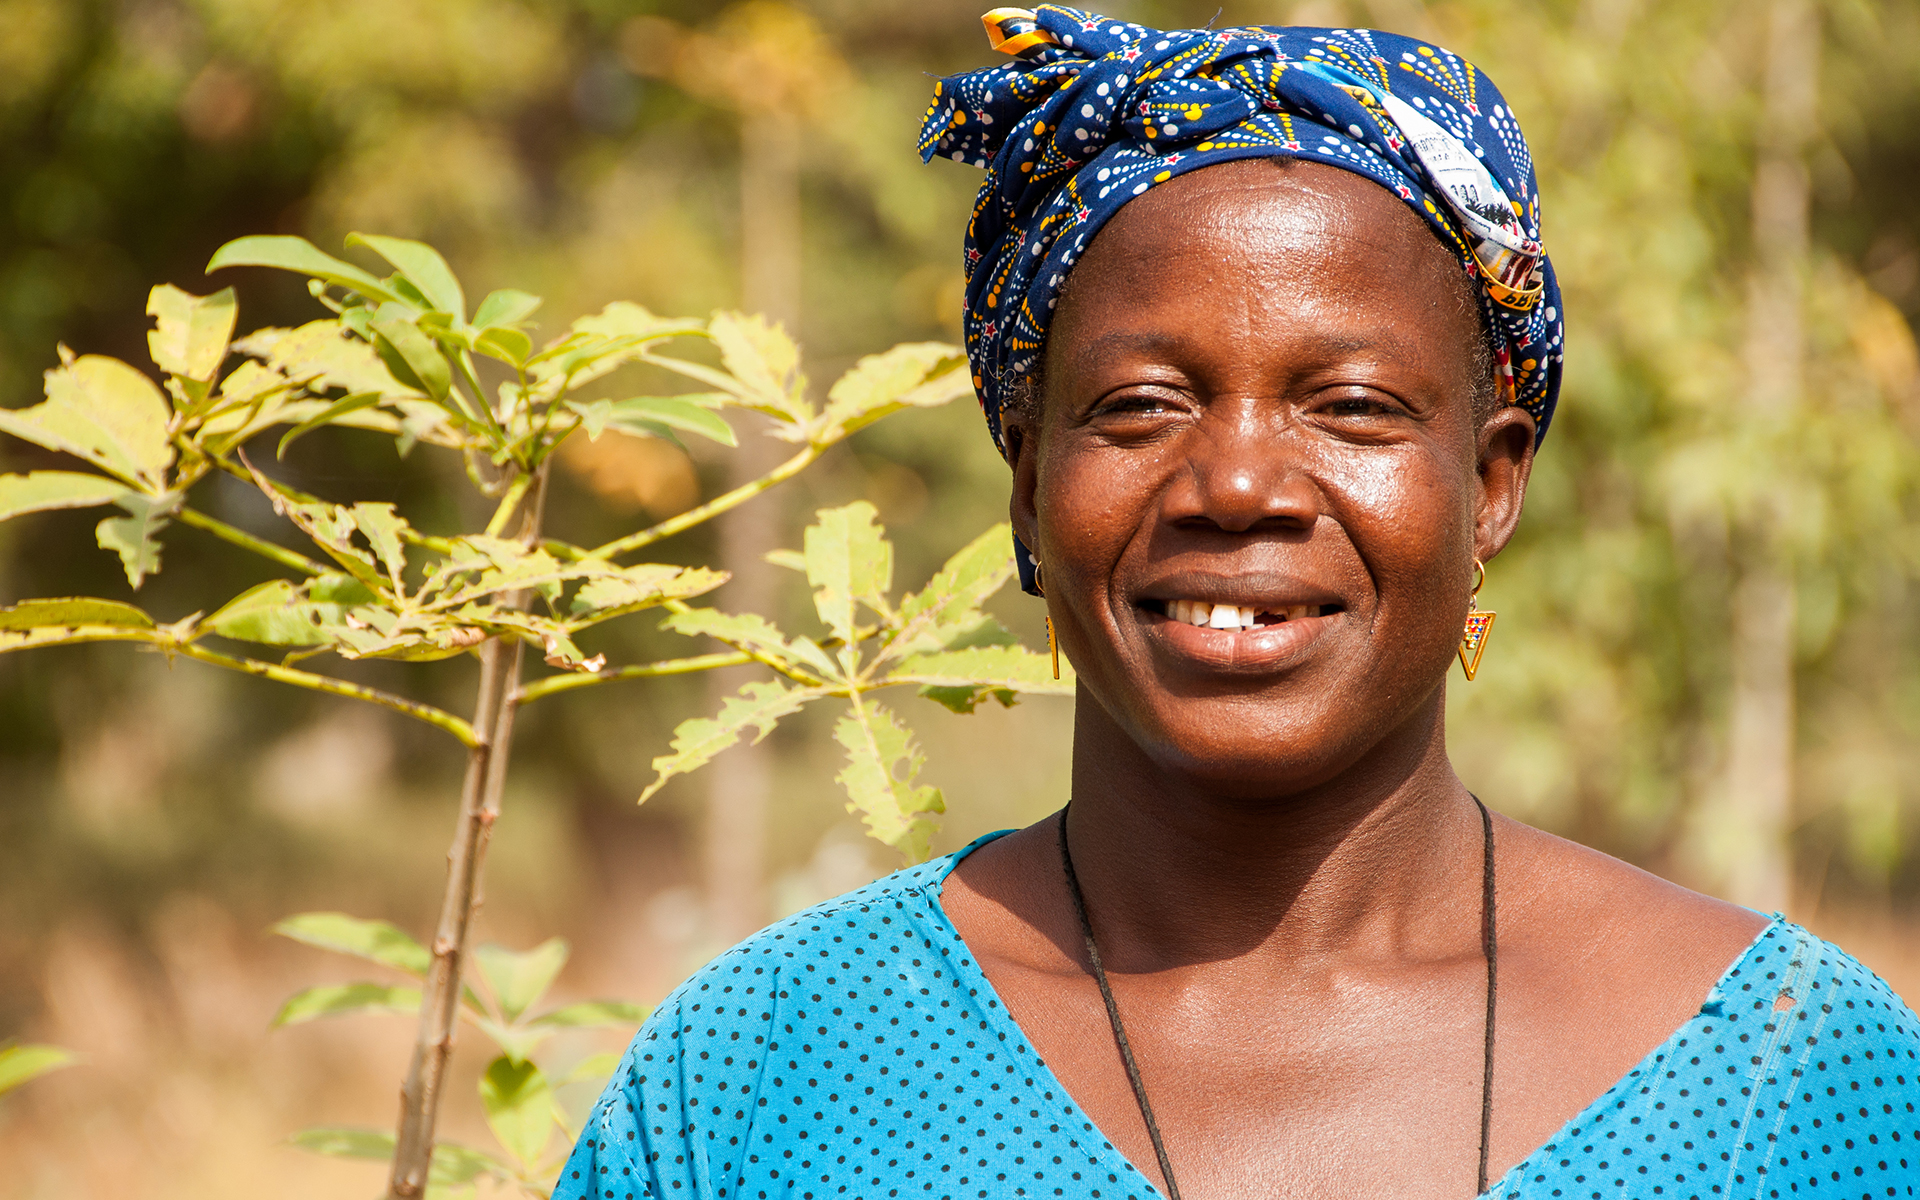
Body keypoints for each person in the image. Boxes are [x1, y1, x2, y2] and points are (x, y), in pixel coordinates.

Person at [555, 8, 1920, 1198]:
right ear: (1029, 486)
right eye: (1142, 404)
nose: (1239, 482)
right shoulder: (769, 1069)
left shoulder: (1788, 1083)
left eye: (1355, 407)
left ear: (1493, 486)